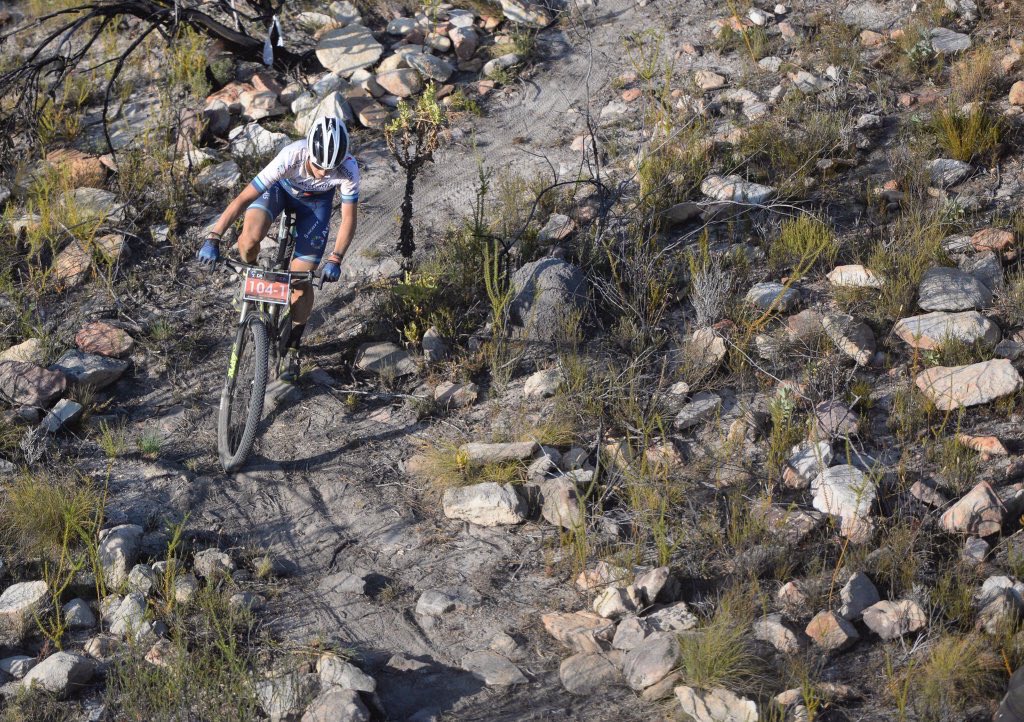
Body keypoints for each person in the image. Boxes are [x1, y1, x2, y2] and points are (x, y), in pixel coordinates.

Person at [196, 116, 359, 382]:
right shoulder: (291, 155)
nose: (325, 174)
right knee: (248, 240)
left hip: (317, 205)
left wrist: (336, 258)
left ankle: (293, 345)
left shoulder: (349, 168)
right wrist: (213, 237)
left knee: (301, 279)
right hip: (279, 191)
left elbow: (349, 218)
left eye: (332, 168)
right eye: (319, 166)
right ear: (309, 152)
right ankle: (250, 278)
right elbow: (243, 199)